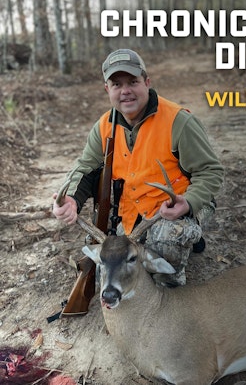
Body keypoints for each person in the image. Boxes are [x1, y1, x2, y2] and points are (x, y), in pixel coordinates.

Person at [53, 48, 224, 286]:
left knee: (165, 242)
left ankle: (175, 267)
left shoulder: (178, 121)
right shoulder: (104, 126)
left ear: (147, 82)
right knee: (112, 262)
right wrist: (72, 198)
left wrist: (189, 203)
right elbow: (85, 168)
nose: (125, 91)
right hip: (132, 213)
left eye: (133, 82)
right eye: (116, 84)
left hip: (173, 207)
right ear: (107, 89)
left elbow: (210, 171)